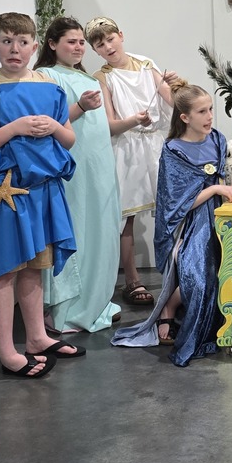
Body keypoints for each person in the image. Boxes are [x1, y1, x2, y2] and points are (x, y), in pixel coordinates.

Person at [0, 12, 83, 378]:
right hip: (4, 194)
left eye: (23, 42)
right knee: (4, 270)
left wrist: (55, 127)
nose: (15, 49)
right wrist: (14, 128)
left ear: (34, 45)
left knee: (34, 266)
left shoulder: (49, 86)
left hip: (40, 193)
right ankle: (8, 350)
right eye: (7, 41)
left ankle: (38, 337)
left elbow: (69, 139)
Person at [112, 85, 232, 366]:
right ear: (185, 117)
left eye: (210, 109)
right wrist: (214, 191)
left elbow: (224, 179)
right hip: (187, 224)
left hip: (222, 217)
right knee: (200, 277)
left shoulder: (217, 140)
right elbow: (174, 204)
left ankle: (179, 307)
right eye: (202, 111)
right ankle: (168, 309)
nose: (210, 116)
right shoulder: (174, 150)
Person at [34, 17, 122, 333]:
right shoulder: (46, 75)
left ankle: (97, 298)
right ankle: (70, 309)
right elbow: (48, 122)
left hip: (98, 166)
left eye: (82, 42)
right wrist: (81, 107)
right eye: (72, 41)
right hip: (75, 168)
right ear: (52, 44)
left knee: (103, 230)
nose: (79, 47)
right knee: (80, 231)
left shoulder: (84, 75)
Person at [86, 16, 179, 309]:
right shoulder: (102, 78)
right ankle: (132, 279)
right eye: (99, 44)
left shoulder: (145, 64)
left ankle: (179, 272)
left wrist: (177, 85)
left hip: (155, 144)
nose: (107, 46)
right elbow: (110, 124)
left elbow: (170, 100)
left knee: (172, 209)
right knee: (127, 218)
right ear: (95, 50)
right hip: (126, 148)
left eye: (110, 39)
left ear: (121, 36)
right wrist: (134, 120)